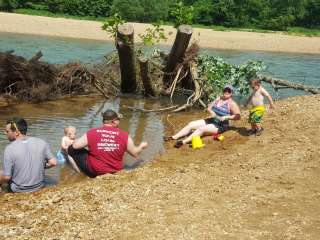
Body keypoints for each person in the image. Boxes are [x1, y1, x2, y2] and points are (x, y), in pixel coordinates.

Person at [67, 109, 148, 177]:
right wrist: (141, 146)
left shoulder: (92, 132)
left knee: (71, 148)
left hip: (94, 172)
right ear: (114, 122)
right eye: (118, 119)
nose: (119, 121)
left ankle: (80, 171)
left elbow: (75, 146)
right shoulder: (125, 135)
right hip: (114, 171)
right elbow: (134, 153)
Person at [165, 84, 241, 148]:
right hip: (211, 120)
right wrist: (211, 112)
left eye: (229, 91)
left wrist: (227, 117)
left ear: (231, 93)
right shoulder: (218, 98)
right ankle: (173, 137)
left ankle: (183, 142)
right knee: (191, 124)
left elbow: (238, 116)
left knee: (201, 129)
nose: (226, 92)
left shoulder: (232, 104)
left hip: (220, 125)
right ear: (223, 91)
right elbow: (209, 107)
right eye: (225, 90)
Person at [0, 117, 57, 193]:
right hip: (40, 186)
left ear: (16, 132)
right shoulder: (41, 142)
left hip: (18, 189)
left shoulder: (9, 149)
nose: (5, 133)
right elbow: (53, 162)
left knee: (2, 172)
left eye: (7, 131)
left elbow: (7, 177)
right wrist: (40, 166)